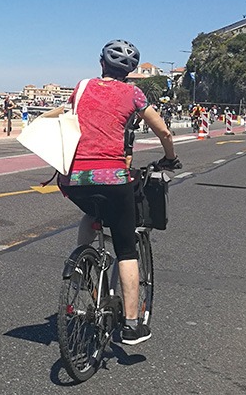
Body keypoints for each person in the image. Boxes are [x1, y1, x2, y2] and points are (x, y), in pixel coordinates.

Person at [39, 40, 179, 345]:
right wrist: (170, 157)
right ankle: (130, 324)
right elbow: (164, 131)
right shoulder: (133, 93)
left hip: (73, 178)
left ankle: (82, 267)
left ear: (101, 64)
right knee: (126, 249)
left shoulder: (82, 86)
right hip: (113, 178)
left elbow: (69, 114)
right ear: (129, 71)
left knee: (91, 212)